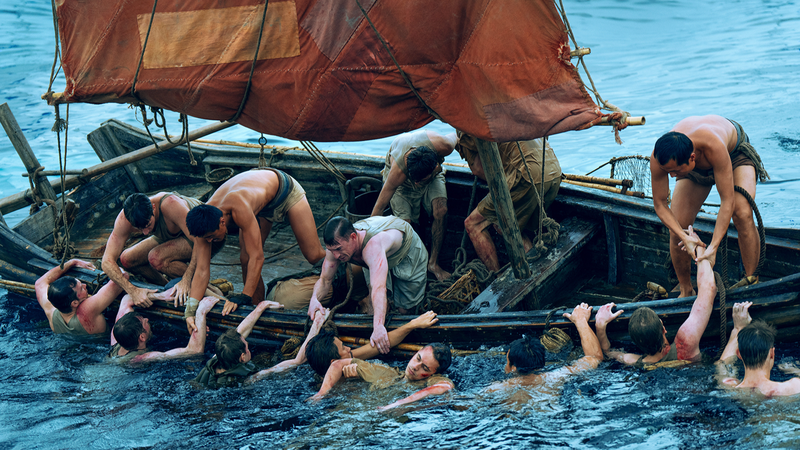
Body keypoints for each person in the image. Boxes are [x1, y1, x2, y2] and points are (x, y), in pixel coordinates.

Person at [650, 115, 769, 298]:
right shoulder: (660, 159)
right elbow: (659, 203)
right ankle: (686, 289)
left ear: (692, 158)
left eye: (675, 172)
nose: (672, 177)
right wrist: (683, 235)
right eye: (668, 171)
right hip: (691, 166)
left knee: (742, 213)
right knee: (677, 226)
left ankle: (752, 281)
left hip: (734, 154)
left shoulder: (714, 145)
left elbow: (727, 201)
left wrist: (712, 248)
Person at [185, 170, 325, 316]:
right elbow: (201, 271)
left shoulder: (239, 207)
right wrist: (190, 311)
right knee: (245, 259)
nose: (209, 242)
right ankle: (257, 308)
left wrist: (243, 296)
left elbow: (257, 257)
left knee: (313, 255)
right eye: (206, 238)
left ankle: (346, 270)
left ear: (222, 222)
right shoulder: (203, 222)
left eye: (211, 237)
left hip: (284, 190)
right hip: (258, 199)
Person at [595, 227, 717, 365]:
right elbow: (709, 288)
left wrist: (600, 326)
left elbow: (609, 352)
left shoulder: (634, 361)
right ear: (663, 328)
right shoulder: (685, 344)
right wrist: (699, 248)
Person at [307, 215, 428, 353]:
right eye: (332, 250)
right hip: (375, 258)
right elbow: (325, 280)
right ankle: (371, 336)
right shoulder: (335, 247)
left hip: (406, 252)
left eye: (339, 249)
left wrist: (378, 328)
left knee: (404, 310)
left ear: (353, 237)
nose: (335, 256)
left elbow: (379, 288)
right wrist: (314, 299)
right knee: (373, 305)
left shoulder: (372, 247)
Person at [455, 133, 562, 271]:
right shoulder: (513, 111)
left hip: (526, 175)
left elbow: (478, 169)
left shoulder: (465, 123)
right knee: (512, 224)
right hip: (554, 173)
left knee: (474, 224)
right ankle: (534, 271)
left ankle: (498, 280)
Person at [103, 192, 217, 308]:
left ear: (153, 208)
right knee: (127, 259)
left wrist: (186, 280)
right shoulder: (124, 219)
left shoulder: (171, 204)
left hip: (205, 237)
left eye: (148, 225)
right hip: (170, 236)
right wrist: (133, 291)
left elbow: (200, 241)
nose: (145, 233)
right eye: (139, 229)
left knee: (156, 258)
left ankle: (210, 288)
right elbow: (106, 262)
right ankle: (167, 287)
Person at [371, 130, 458, 281]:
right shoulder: (397, 172)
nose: (418, 185)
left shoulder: (444, 145)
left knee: (441, 210)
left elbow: (459, 134)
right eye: (417, 182)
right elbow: (379, 206)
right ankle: (416, 267)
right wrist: (367, 238)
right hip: (402, 186)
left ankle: (433, 263)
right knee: (405, 224)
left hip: (432, 173)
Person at [484, 303, 603, 393]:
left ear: (513, 368)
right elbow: (594, 357)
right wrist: (581, 321)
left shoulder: (497, 389)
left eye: (507, 362)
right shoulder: (556, 377)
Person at [308, 342, 454, 411]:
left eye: (425, 367)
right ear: (417, 352)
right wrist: (320, 394)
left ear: (434, 373)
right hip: (349, 413)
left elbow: (445, 387)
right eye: (418, 358)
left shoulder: (430, 381)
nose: (415, 366)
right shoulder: (384, 371)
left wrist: (397, 404)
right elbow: (338, 364)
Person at [305, 310, 440, 376]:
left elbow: (380, 345)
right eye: (343, 348)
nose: (349, 348)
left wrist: (412, 324)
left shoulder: (344, 358)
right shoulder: (333, 388)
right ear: (334, 362)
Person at [194, 298, 287, 388]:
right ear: (242, 357)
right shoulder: (248, 379)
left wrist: (261, 307)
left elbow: (239, 333)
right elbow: (295, 362)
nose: (248, 347)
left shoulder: (215, 361)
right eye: (247, 348)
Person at [716, 302, 800, 396]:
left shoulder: (730, 390)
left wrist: (738, 328)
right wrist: (795, 371)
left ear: (739, 354)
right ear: (772, 353)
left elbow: (722, 365)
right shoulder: (794, 388)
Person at [108, 293, 219, 363]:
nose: (147, 319)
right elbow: (194, 351)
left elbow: (127, 299)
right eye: (144, 322)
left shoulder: (118, 334)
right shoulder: (142, 358)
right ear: (142, 337)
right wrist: (201, 311)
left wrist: (162, 296)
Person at [34, 258, 125, 335]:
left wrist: (72, 263)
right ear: (75, 303)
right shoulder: (87, 310)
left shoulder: (50, 310)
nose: (85, 285)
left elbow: (39, 283)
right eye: (81, 288)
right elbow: (122, 278)